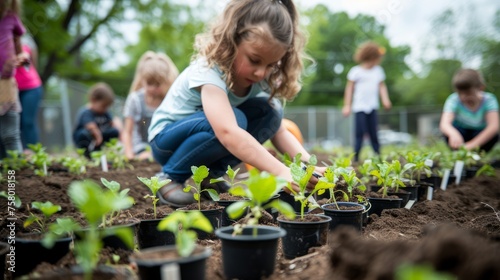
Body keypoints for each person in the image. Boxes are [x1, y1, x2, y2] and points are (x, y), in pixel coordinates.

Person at [148, 0, 322, 207]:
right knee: (235, 121)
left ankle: (212, 177)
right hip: (167, 141)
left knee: (271, 112)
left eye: (271, 65)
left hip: (206, 138)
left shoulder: (261, 79)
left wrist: (308, 166)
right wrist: (281, 172)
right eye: (254, 60)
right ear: (232, 41)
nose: (261, 72)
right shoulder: (208, 70)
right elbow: (227, 132)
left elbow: (278, 130)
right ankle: (169, 177)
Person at [122, 51, 178, 161]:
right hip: (138, 148)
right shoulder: (135, 100)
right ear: (142, 80)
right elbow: (128, 131)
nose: (153, 88)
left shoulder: (168, 100)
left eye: (158, 84)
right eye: (149, 84)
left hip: (161, 148)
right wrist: (129, 154)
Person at [342, 41, 392, 162]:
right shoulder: (356, 71)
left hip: (372, 107)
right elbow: (349, 89)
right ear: (371, 56)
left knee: (373, 133)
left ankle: (378, 156)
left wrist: (385, 99)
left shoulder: (378, 71)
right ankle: (356, 157)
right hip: (359, 107)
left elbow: (382, 86)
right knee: (359, 134)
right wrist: (347, 105)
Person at [440, 69, 499, 152]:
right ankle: (458, 152)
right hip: (462, 135)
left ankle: (478, 154)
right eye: (460, 93)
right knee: (449, 132)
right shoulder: (454, 100)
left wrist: (472, 145)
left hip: (480, 136)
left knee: (494, 135)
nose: (464, 97)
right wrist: (453, 134)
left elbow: (493, 126)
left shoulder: (489, 100)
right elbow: (445, 124)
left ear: (481, 88)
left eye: (468, 93)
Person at [0, 0, 25, 158]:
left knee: (10, 135)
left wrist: (22, 57)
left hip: (5, 84)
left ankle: (14, 178)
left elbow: (19, 49)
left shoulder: (10, 18)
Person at [73, 82, 120, 157]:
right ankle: (86, 155)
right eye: (103, 106)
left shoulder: (105, 113)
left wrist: (118, 129)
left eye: (107, 107)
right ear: (93, 100)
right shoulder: (86, 112)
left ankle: (104, 153)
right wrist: (98, 136)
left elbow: (113, 123)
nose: (105, 109)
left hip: (99, 139)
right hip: (89, 138)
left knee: (114, 131)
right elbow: (92, 127)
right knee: (83, 134)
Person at [15, 37, 43, 150]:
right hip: (11, 90)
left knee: (28, 122)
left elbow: (25, 55)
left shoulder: (22, 43)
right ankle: (17, 155)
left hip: (31, 87)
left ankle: (34, 152)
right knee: (15, 125)